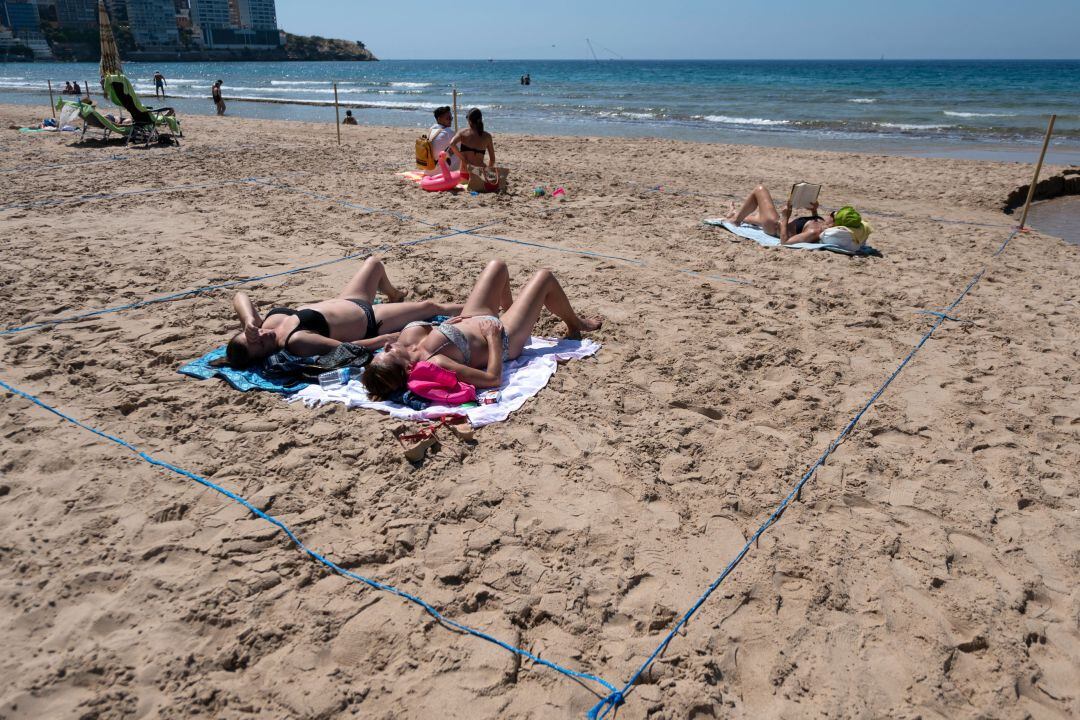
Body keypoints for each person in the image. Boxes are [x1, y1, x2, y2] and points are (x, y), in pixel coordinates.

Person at [361, 260, 603, 399]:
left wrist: (444, 325)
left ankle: (514, 310)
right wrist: (493, 339)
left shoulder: (405, 341)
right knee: (544, 277)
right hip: (503, 336)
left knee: (497, 266)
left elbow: (432, 327)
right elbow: (493, 379)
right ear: (407, 367)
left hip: (473, 316)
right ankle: (574, 324)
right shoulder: (435, 364)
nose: (386, 346)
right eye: (388, 353)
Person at [223, 256, 464, 368]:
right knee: (430, 307)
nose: (262, 336)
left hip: (348, 300)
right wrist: (386, 338)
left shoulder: (269, 323)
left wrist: (249, 321)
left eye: (255, 335)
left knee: (374, 264)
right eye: (261, 344)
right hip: (370, 319)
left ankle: (394, 295)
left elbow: (240, 296)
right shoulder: (296, 341)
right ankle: (482, 309)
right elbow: (349, 347)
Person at [723, 184, 870, 247]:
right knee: (752, 218)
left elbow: (785, 242)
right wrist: (814, 212)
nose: (830, 214)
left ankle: (735, 220)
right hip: (776, 222)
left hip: (774, 225)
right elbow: (812, 223)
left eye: (833, 213)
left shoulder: (814, 232)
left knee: (759, 189)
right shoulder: (823, 225)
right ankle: (734, 215)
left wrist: (786, 216)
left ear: (835, 222)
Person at [427, 106, 457, 172]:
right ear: (439, 119)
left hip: (429, 168)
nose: (451, 120)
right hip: (440, 171)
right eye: (448, 118)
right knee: (462, 151)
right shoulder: (448, 132)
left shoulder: (432, 129)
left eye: (451, 118)